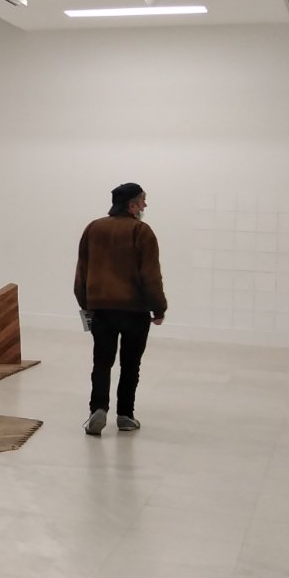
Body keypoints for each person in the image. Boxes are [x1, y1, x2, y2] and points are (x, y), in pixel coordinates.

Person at [73, 182, 166, 436]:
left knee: (101, 362)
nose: (145, 205)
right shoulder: (141, 231)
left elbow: (82, 271)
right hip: (134, 311)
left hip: (101, 309)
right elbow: (151, 276)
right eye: (143, 201)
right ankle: (125, 415)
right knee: (130, 364)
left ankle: (98, 409)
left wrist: (85, 304)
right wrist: (158, 308)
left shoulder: (93, 228)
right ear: (132, 205)